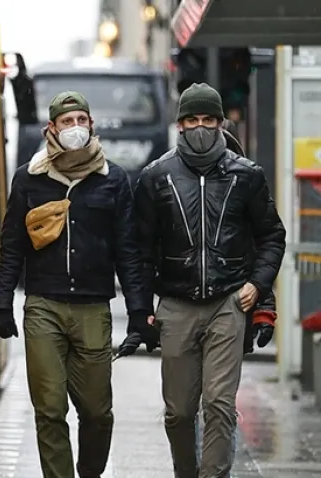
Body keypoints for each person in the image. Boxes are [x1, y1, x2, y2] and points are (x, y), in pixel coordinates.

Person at [0, 91, 148, 478]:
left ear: (91, 125)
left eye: (81, 120)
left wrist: (140, 312)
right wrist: (1, 302)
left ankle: (90, 472)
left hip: (93, 309)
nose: (75, 127)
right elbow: (12, 246)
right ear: (52, 128)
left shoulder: (113, 180)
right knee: (49, 408)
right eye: (67, 121)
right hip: (43, 306)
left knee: (97, 412)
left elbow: (128, 251)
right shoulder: (29, 179)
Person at [132, 83, 286, 478]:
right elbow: (139, 249)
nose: (200, 127)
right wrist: (141, 309)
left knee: (219, 403)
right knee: (179, 412)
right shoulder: (156, 177)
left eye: (208, 119)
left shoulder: (246, 175)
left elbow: (271, 236)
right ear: (180, 124)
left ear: (220, 123)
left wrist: (257, 285)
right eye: (192, 120)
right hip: (176, 304)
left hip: (228, 303)